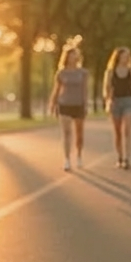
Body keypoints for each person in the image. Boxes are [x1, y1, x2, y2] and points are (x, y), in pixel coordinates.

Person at [48, 42, 89, 170]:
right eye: (71, 55)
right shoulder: (61, 73)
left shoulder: (83, 73)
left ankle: (79, 156)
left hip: (78, 105)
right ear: (66, 57)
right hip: (64, 104)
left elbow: (85, 90)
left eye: (75, 55)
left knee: (79, 133)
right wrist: (52, 103)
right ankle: (66, 159)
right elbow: (56, 89)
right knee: (66, 132)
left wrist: (86, 104)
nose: (73, 57)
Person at [103, 46, 131, 168]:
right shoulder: (110, 72)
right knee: (117, 132)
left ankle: (127, 159)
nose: (126, 58)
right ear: (118, 57)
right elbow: (107, 89)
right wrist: (108, 102)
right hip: (115, 102)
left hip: (128, 102)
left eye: (127, 56)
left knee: (127, 130)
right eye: (123, 56)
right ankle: (119, 157)